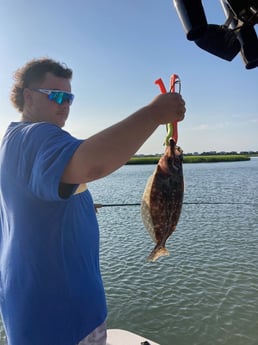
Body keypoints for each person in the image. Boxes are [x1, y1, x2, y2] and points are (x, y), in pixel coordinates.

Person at [0, 58, 186, 345]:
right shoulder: (35, 137)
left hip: (49, 315)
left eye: (70, 97)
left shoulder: (13, 142)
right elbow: (92, 164)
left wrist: (81, 206)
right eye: (57, 96)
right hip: (59, 322)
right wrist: (154, 114)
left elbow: (31, 207)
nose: (65, 104)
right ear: (28, 96)